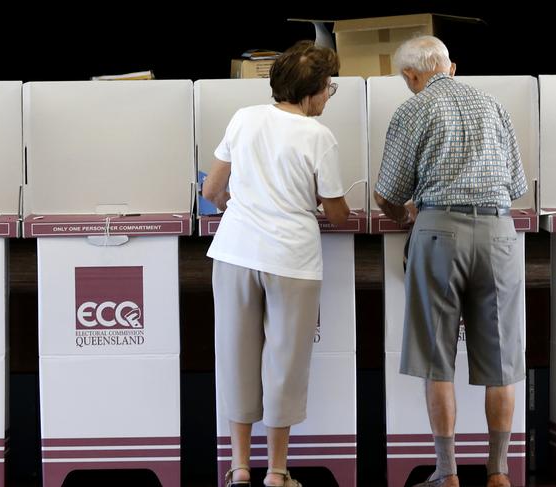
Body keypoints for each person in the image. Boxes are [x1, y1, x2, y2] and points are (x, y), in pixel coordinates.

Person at [374, 36, 527, 487]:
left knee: (435, 355)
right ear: (451, 66)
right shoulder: (494, 105)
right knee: (502, 360)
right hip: (499, 235)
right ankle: (498, 472)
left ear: (411, 75)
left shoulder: (413, 109)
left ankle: (447, 472)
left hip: (440, 233)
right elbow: (516, 182)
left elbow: (387, 191)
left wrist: (403, 213)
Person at [202, 40, 349, 487]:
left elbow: (211, 190)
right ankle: (278, 471)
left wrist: (240, 203)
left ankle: (240, 466)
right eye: (329, 88)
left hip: (234, 253)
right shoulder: (318, 136)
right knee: (284, 363)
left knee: (235, 357)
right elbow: (338, 212)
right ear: (312, 91)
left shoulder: (243, 119)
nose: (328, 96)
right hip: (291, 261)